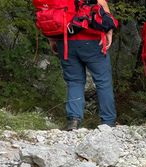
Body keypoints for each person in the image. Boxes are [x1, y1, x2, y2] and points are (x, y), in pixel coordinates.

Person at [47, 0, 116, 130]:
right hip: (93, 41)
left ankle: (73, 121)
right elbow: (104, 10)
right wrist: (109, 33)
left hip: (65, 42)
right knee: (103, 82)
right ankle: (108, 122)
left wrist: (52, 40)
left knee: (74, 81)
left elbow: (51, 16)